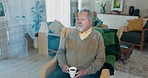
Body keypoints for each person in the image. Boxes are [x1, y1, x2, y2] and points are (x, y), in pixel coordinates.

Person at [49, 9, 106, 78]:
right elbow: (61, 52)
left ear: (90, 22)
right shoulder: (70, 34)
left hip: (88, 73)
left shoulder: (97, 36)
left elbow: (101, 59)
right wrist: (62, 65)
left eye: (82, 19)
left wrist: (86, 71)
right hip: (67, 71)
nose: (78, 22)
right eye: (77, 19)